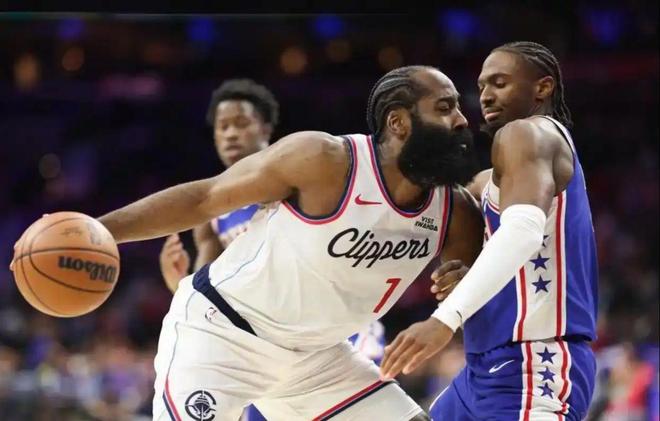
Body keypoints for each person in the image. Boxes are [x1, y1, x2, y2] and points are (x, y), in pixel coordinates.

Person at [13, 65, 484, 420]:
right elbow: (205, 198)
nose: (463, 119)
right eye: (445, 108)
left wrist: (458, 285)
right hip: (222, 337)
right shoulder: (324, 160)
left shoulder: (455, 210)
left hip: (319, 358)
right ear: (399, 123)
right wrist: (97, 231)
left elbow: (466, 289)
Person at [379, 42, 598, 421]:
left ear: (542, 88)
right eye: (481, 87)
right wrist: (471, 273)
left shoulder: (528, 134)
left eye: (500, 83)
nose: (485, 96)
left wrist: (444, 318)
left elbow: (523, 232)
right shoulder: (491, 180)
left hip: (535, 364)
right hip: (484, 368)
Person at [159, 78, 387, 421]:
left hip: (339, 332)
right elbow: (211, 296)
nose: (231, 134)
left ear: (265, 128)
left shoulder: (301, 179)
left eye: (241, 123)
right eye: (223, 126)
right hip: (269, 344)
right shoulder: (212, 213)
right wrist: (179, 283)